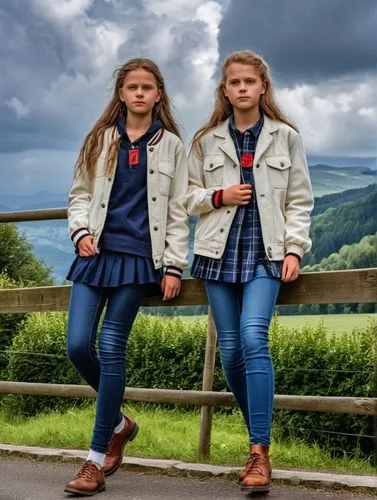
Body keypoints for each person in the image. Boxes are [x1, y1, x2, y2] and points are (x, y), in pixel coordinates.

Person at [186, 50, 313, 494]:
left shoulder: (286, 137)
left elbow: (299, 199)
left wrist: (295, 250)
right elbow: (186, 197)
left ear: (262, 88)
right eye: (233, 82)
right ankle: (256, 437)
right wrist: (218, 196)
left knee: (254, 337)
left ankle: (259, 450)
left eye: (249, 82)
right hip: (217, 255)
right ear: (225, 89)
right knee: (232, 353)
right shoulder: (205, 141)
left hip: (266, 255)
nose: (241, 88)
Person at [64, 58, 189, 496]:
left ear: (158, 94)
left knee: (112, 346)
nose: (139, 93)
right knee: (77, 345)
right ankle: (120, 422)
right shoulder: (100, 139)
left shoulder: (172, 145)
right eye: (132, 87)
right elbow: (79, 194)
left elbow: (176, 212)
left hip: (139, 259)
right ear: (120, 93)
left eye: (147, 87)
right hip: (94, 255)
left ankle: (95, 461)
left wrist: (173, 265)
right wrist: (79, 231)